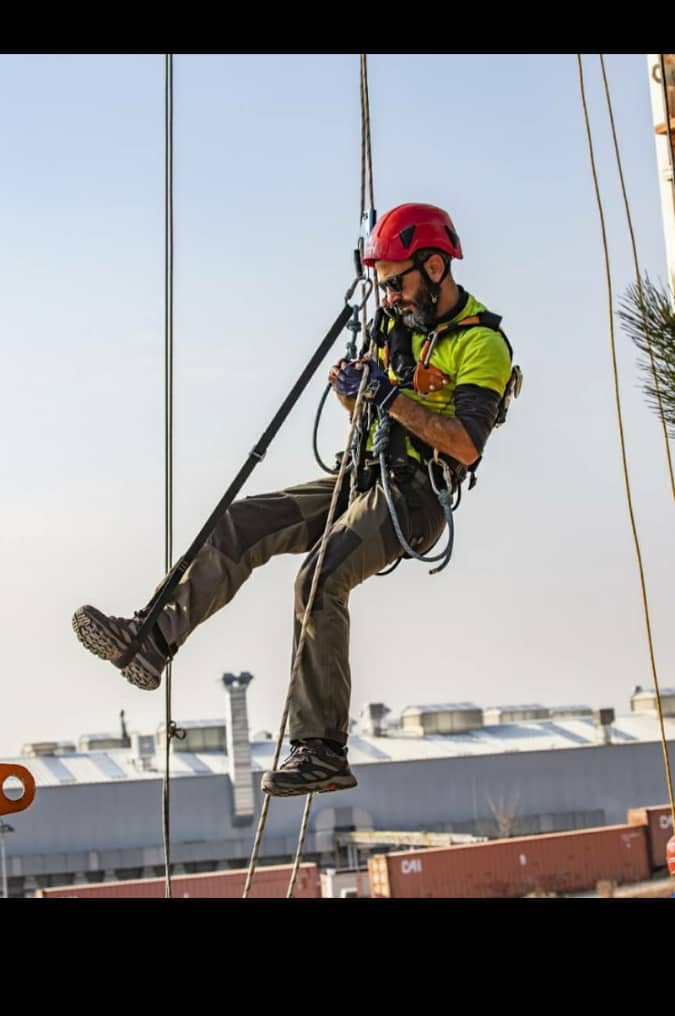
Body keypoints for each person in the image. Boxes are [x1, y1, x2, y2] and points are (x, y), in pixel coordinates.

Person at [72, 203, 515, 797]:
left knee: (319, 576)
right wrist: (355, 396)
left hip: (412, 499)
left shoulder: (481, 344)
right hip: (361, 476)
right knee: (240, 524)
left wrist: (387, 395)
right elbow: (376, 413)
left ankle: (321, 747)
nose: (389, 299)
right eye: (383, 287)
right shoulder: (396, 331)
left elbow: (464, 445)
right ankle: (153, 641)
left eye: (397, 283)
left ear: (435, 266)